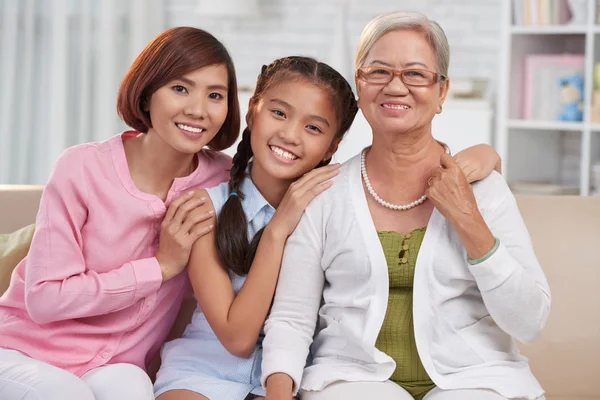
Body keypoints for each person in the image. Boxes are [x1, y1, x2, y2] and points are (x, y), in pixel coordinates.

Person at [154, 53, 502, 400]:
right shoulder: (205, 208)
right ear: (252, 112)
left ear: (332, 145)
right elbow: (238, 340)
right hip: (202, 371)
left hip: (291, 376)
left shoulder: (336, 205)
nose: (290, 135)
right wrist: (277, 230)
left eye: (313, 128)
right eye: (278, 113)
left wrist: (489, 155)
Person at [261, 12, 550, 400]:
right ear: (360, 84)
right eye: (378, 71)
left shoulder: (484, 189)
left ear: (441, 92)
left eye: (415, 74)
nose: (396, 87)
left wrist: (468, 220)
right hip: (351, 380)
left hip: (477, 379)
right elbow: (292, 320)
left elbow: (529, 321)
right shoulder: (322, 194)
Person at [0, 27, 239, 400]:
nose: (198, 109)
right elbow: (45, 299)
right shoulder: (81, 167)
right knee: (66, 394)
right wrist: (159, 268)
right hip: (24, 349)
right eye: (180, 88)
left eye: (215, 95)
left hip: (116, 364)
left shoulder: (221, 177)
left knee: (133, 391)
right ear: (146, 94)